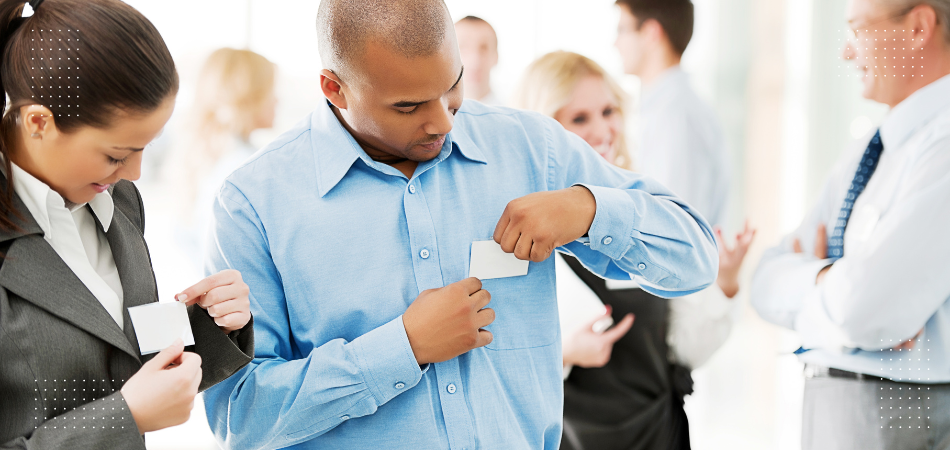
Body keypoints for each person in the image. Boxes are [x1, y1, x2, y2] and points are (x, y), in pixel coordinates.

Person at [201, 0, 719, 449]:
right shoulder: (253, 204)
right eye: (408, 106)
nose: (444, 122)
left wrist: (588, 209)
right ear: (334, 88)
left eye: (452, 87)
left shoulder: (530, 148)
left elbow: (695, 258)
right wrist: (400, 349)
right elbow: (239, 416)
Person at [0, 0, 255, 448]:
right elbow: (123, 404)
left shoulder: (115, 199)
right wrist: (126, 417)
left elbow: (117, 359)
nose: (135, 173)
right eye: (117, 155)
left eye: (146, 148)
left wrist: (211, 327)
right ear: (39, 122)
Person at [514, 50, 754, 450]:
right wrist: (565, 354)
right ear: (544, 130)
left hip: (658, 434)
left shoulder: (645, 219)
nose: (603, 129)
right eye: (579, 118)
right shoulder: (520, 237)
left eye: (609, 111)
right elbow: (490, 374)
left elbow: (681, 350)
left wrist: (724, 284)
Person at [751, 0, 950, 448]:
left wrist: (831, 290)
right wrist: (830, 277)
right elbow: (764, 282)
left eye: (858, 30)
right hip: (838, 404)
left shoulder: (944, 146)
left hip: (899, 412)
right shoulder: (870, 149)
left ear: (919, 27)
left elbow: (867, 309)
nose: (846, 52)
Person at [615, 0, 730, 227]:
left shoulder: (675, 115)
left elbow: (674, 225)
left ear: (650, 33)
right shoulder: (665, 108)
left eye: (622, 30)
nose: (615, 43)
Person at [162, 47, 277, 270]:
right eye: (271, 89)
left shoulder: (205, 157)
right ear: (249, 97)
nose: (277, 100)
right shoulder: (245, 167)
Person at [454, 15, 502, 105]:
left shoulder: (513, 114)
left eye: (484, 48)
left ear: (496, 56)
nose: (475, 59)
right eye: (463, 48)